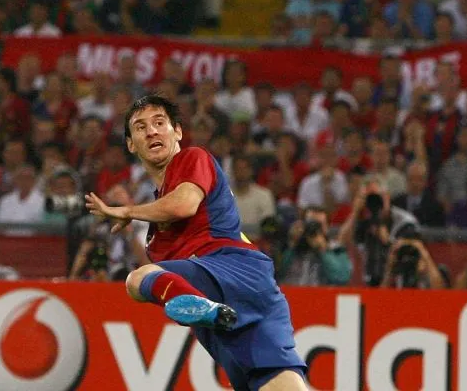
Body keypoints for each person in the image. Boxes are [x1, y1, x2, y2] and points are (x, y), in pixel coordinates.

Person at [86, 95, 308, 391]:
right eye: (140, 127)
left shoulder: (193, 158)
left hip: (229, 269)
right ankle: (204, 309)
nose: (151, 131)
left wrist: (127, 211)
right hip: (239, 299)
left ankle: (199, 305)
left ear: (177, 131)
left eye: (159, 123)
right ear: (131, 144)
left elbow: (184, 204)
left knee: (137, 279)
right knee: (274, 383)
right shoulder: (155, 234)